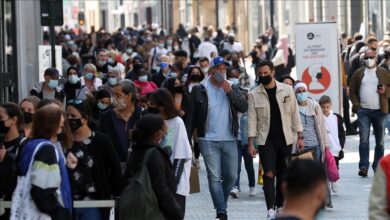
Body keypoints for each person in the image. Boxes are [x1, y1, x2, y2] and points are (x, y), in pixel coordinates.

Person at [186, 56, 248, 220]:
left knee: (232, 176)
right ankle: (221, 212)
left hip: (229, 138)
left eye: (224, 69)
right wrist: (187, 142)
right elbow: (191, 117)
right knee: (214, 176)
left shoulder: (233, 86)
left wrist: (230, 92)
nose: (222, 71)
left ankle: (222, 203)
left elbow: (244, 107)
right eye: (219, 68)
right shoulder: (199, 89)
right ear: (211, 71)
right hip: (207, 139)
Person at [247, 60, 303, 219]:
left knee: (283, 175)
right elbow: (252, 120)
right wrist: (251, 142)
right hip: (266, 141)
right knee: (269, 174)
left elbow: (294, 113)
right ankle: (270, 209)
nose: (263, 76)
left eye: (266, 73)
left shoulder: (286, 90)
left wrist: (300, 136)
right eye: (260, 74)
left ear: (272, 72)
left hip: (286, 138)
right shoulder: (253, 94)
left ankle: (280, 206)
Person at [11, 105, 73, 219]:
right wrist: (59, 213)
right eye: (61, 123)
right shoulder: (47, 149)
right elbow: (42, 190)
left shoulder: (30, 145)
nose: (63, 124)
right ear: (51, 124)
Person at [65, 99, 122, 219]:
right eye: (67, 115)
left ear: (85, 119)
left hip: (94, 204)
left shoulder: (101, 141)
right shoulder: (62, 141)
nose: (69, 119)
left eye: (73, 116)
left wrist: (115, 195)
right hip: (66, 203)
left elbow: (115, 167)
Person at [124, 114, 183, 219]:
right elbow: (160, 187)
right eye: (163, 131)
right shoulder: (154, 154)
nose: (165, 134)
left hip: (137, 210)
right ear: (156, 133)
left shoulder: (136, 150)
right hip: (153, 211)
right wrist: (175, 212)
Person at [147, 89, 192, 217]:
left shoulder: (177, 122)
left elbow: (180, 157)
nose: (154, 112)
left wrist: (172, 187)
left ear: (163, 106)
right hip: (156, 185)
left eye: (156, 109)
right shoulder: (153, 122)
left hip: (175, 186)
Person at [349, 49, 390, 177]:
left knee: (380, 142)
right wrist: (357, 105)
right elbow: (352, 90)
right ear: (363, 59)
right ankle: (363, 166)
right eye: (367, 57)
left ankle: (378, 166)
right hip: (364, 111)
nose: (369, 59)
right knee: (364, 140)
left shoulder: (383, 72)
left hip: (380, 111)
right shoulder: (359, 73)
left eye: (371, 57)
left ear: (376, 57)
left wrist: (385, 91)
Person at [99, 80, 142, 170]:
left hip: (137, 166)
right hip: (114, 168)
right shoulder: (107, 116)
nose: (114, 98)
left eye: (118, 95)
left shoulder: (141, 115)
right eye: (113, 95)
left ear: (129, 96)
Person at [293, 82, 330, 162]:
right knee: (304, 173)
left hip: (315, 145)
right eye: (299, 92)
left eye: (304, 91)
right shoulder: (292, 107)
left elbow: (321, 126)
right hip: (301, 146)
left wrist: (326, 144)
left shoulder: (314, 105)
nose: (302, 93)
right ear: (295, 93)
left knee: (316, 172)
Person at [229, 88, 256, 198]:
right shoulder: (233, 112)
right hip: (236, 141)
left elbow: (254, 128)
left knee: (249, 166)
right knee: (236, 166)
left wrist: (254, 144)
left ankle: (252, 186)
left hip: (247, 143)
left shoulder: (251, 112)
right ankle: (236, 187)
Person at [0, 103, 24, 219]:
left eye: (0, 118)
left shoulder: (24, 144)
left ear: (13, 120)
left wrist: (7, 158)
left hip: (14, 209)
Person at [319, 95, 346, 193]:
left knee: (334, 166)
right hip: (325, 147)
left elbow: (342, 133)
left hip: (335, 147)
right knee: (325, 166)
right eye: (323, 107)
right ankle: (327, 184)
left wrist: (341, 145)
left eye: (327, 107)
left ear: (330, 106)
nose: (325, 109)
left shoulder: (336, 118)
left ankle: (333, 181)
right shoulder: (318, 118)